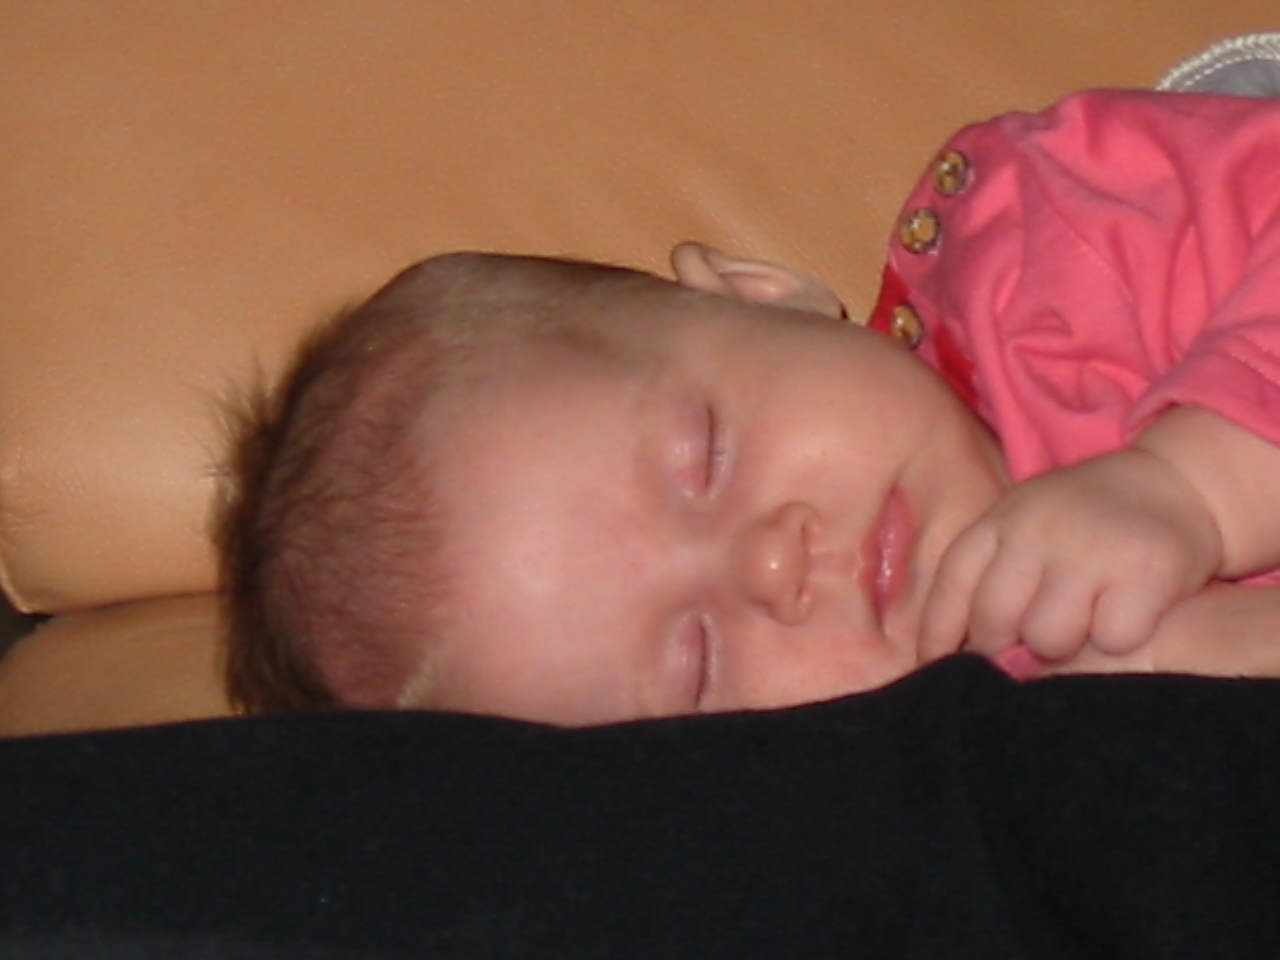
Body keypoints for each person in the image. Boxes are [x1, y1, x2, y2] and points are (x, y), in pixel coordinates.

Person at [220, 50, 1280, 725]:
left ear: (760, 295)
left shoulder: (1046, 244)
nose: (776, 563)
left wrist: (1195, 487)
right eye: (697, 659)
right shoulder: (982, 751)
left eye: (706, 455)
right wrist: (1181, 665)